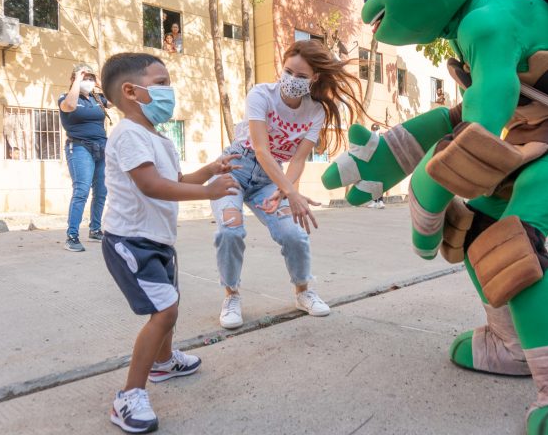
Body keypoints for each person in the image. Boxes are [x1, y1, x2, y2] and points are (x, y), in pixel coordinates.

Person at [99, 52, 240, 433]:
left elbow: (174, 178)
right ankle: (128, 396)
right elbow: (151, 185)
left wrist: (209, 171)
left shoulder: (156, 137)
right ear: (131, 91)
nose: (169, 90)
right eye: (161, 83)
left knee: (170, 306)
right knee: (163, 311)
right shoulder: (127, 133)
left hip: (158, 239)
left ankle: (163, 363)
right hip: (131, 241)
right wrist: (209, 193)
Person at [211, 39, 370, 329]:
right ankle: (231, 295)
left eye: (301, 76)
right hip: (233, 168)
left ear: (315, 79)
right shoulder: (261, 95)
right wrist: (291, 191)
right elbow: (260, 149)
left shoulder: (315, 112)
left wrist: (285, 191)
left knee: (294, 234)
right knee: (230, 230)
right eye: (288, 72)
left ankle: (303, 292)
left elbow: (297, 160)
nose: (292, 80)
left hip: (270, 180)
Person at [59, 63, 111, 252]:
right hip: (80, 147)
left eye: (90, 78)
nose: (87, 81)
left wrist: (98, 83)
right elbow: (71, 105)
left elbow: (116, 100)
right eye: (84, 78)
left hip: (102, 148)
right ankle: (72, 236)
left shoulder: (98, 99)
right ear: (74, 79)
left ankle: (95, 229)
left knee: (102, 191)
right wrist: (78, 79)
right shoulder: (65, 98)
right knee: (81, 190)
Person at [366, 123, 385, 209]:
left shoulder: (382, 138)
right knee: (372, 182)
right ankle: (374, 201)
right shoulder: (370, 139)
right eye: (373, 130)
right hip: (372, 162)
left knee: (380, 182)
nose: (374, 131)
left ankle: (380, 201)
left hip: (380, 163)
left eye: (376, 130)